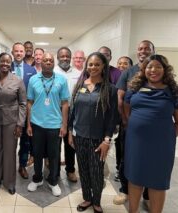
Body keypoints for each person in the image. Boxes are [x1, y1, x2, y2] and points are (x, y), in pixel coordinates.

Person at [124, 54, 178, 213]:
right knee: (134, 179)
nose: (153, 70)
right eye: (149, 67)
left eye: (158, 67)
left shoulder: (175, 92)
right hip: (135, 142)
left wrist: (164, 136)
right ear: (144, 69)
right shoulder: (134, 88)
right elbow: (127, 112)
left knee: (157, 182)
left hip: (161, 145)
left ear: (165, 70)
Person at [68, 52, 118, 213]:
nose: (93, 67)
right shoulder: (80, 86)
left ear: (104, 66)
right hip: (79, 136)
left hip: (98, 139)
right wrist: (70, 132)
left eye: (97, 64)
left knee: (96, 172)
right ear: (86, 66)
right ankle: (87, 198)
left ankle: (96, 201)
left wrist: (107, 140)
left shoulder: (110, 89)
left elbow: (112, 118)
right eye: (90, 64)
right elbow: (73, 112)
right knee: (82, 169)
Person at [114, 40, 155, 206]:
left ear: (153, 51)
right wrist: (125, 120)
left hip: (153, 128)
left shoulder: (159, 71)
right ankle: (125, 190)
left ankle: (147, 194)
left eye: (147, 49)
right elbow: (120, 98)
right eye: (140, 49)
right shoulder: (129, 72)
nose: (143, 51)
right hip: (130, 125)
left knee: (151, 159)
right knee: (127, 158)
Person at [27, 53, 69, 197]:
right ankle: (37, 178)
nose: (48, 62)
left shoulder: (61, 80)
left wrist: (64, 125)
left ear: (54, 63)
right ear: (41, 62)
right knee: (37, 153)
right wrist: (28, 124)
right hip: (37, 123)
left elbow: (65, 103)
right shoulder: (33, 79)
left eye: (51, 60)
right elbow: (29, 103)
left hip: (54, 125)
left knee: (54, 155)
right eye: (45, 60)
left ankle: (53, 181)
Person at [0, 53, 27, 195]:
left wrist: (20, 124)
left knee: (10, 152)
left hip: (12, 121)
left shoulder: (17, 80)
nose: (5, 64)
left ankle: (9, 183)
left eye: (8, 62)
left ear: (11, 64)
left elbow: (23, 104)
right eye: (2, 61)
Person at [54, 47, 80, 183]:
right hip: (55, 110)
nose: (64, 58)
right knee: (55, 142)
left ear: (71, 57)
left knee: (70, 143)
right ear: (57, 57)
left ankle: (70, 170)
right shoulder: (52, 72)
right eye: (62, 56)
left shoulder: (78, 73)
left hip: (72, 111)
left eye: (67, 56)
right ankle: (55, 170)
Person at [11, 42, 36, 179]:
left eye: (21, 51)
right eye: (17, 51)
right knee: (10, 140)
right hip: (9, 110)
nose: (19, 53)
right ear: (12, 52)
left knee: (26, 140)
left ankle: (22, 166)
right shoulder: (6, 67)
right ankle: (8, 167)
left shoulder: (31, 70)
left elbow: (32, 92)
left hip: (26, 110)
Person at [114, 56, 133, 182]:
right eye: (119, 63)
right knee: (119, 144)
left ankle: (128, 171)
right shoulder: (117, 78)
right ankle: (119, 169)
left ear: (131, 66)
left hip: (131, 117)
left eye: (125, 63)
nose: (122, 66)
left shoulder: (134, 76)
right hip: (120, 116)